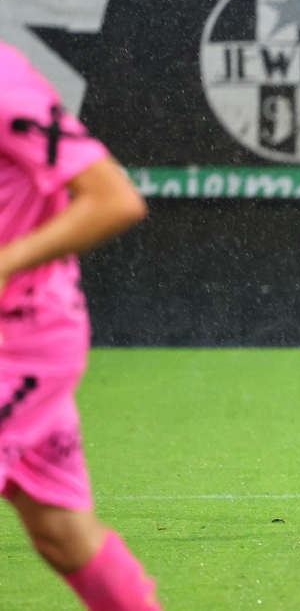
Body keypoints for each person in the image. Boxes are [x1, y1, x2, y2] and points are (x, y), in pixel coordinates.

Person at [0, 41, 161, 609]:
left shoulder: (4, 83)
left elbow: (114, 199)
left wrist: (6, 264)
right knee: (60, 534)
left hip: (18, 341)